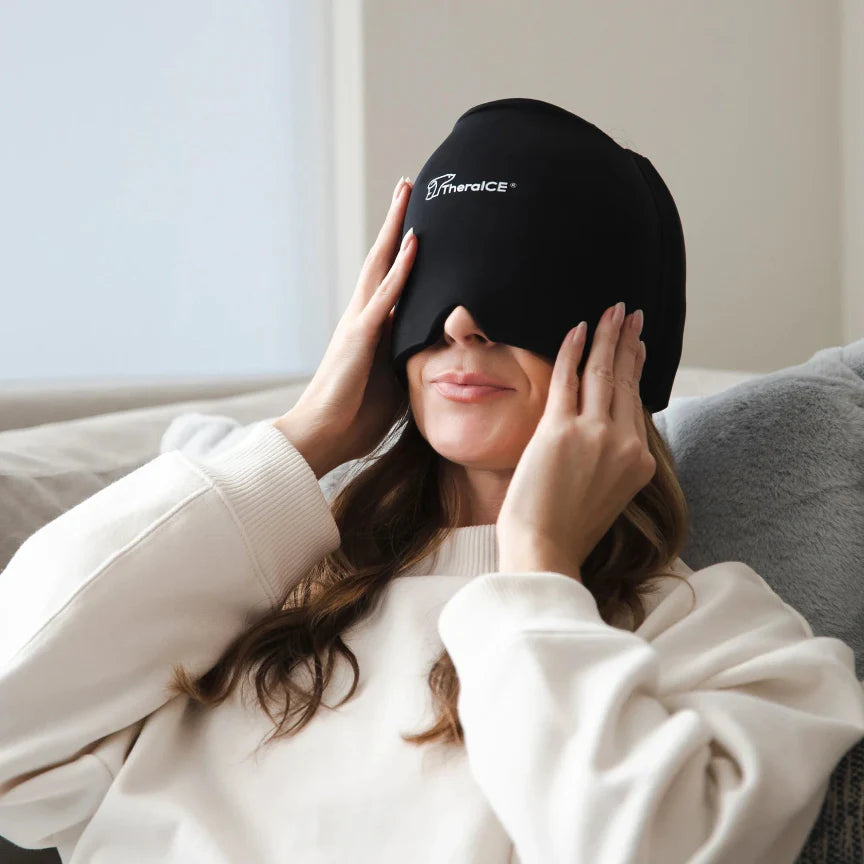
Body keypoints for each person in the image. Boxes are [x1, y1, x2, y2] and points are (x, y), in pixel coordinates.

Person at [1, 175, 863, 864]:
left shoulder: (726, 639)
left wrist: (537, 565)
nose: (460, 319)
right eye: (434, 278)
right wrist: (302, 441)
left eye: (526, 277)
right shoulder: (243, 578)